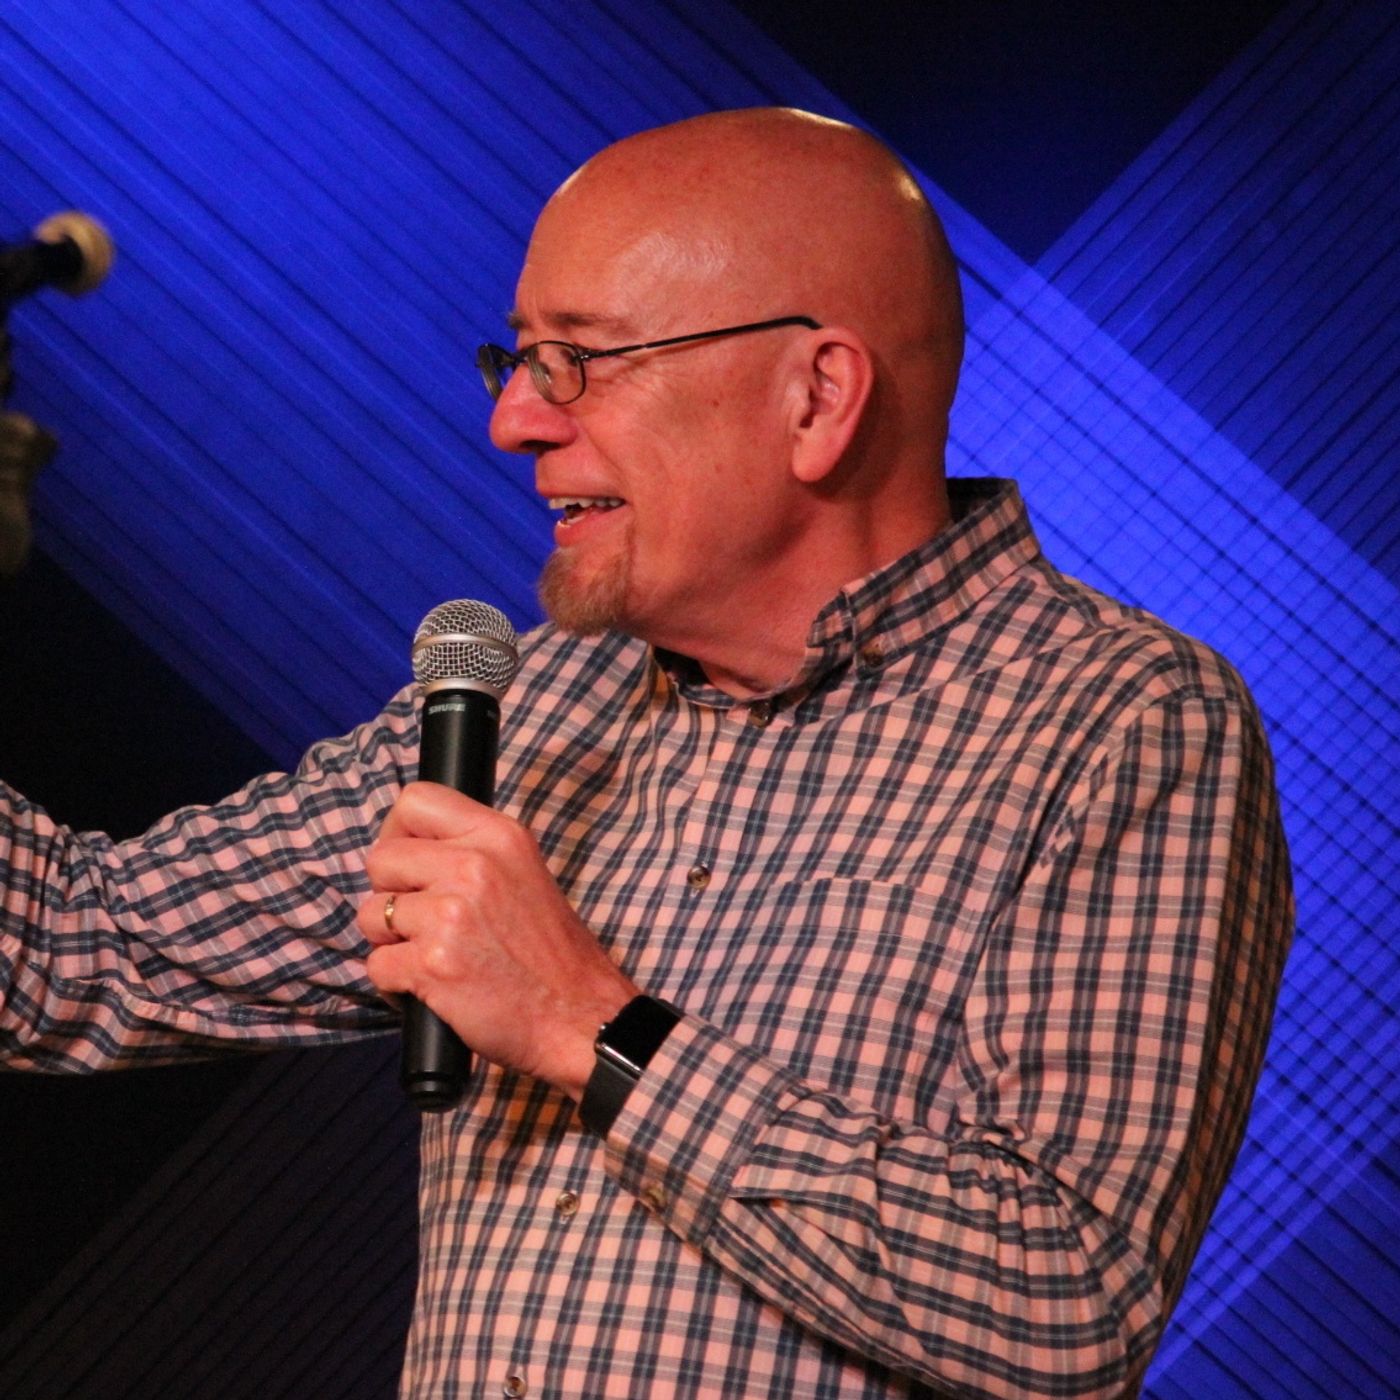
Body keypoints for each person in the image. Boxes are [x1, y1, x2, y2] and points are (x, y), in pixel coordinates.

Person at [0, 108, 1292, 1398]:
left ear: (817, 397)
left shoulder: (1120, 719)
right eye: (518, 358)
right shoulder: (529, 702)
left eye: (578, 360)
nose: (514, 420)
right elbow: (71, 951)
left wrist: (593, 1027)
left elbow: (1065, 1304)